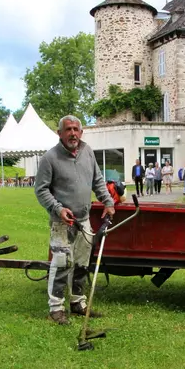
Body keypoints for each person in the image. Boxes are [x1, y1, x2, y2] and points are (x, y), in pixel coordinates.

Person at [34, 115, 116, 325]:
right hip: (62, 222)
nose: (73, 133)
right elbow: (41, 190)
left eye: (76, 129)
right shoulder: (49, 158)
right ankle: (56, 308)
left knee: (81, 264)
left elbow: (97, 180)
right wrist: (57, 208)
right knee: (61, 264)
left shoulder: (87, 152)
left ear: (81, 132)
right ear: (59, 133)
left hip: (84, 219)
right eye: (68, 129)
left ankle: (77, 302)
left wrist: (107, 201)